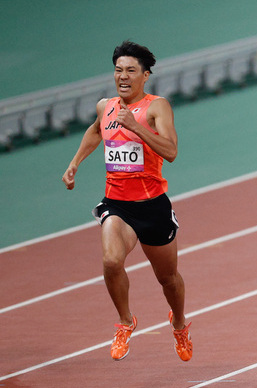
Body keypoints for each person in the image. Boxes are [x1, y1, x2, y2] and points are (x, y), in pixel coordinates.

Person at [61, 41, 192, 361]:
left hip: (152, 204)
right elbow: (95, 131)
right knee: (110, 261)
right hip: (117, 202)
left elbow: (171, 152)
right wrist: (75, 161)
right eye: (118, 70)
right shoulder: (105, 106)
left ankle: (179, 323)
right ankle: (124, 321)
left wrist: (136, 126)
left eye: (131, 70)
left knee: (168, 279)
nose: (123, 76)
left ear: (145, 75)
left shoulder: (157, 106)